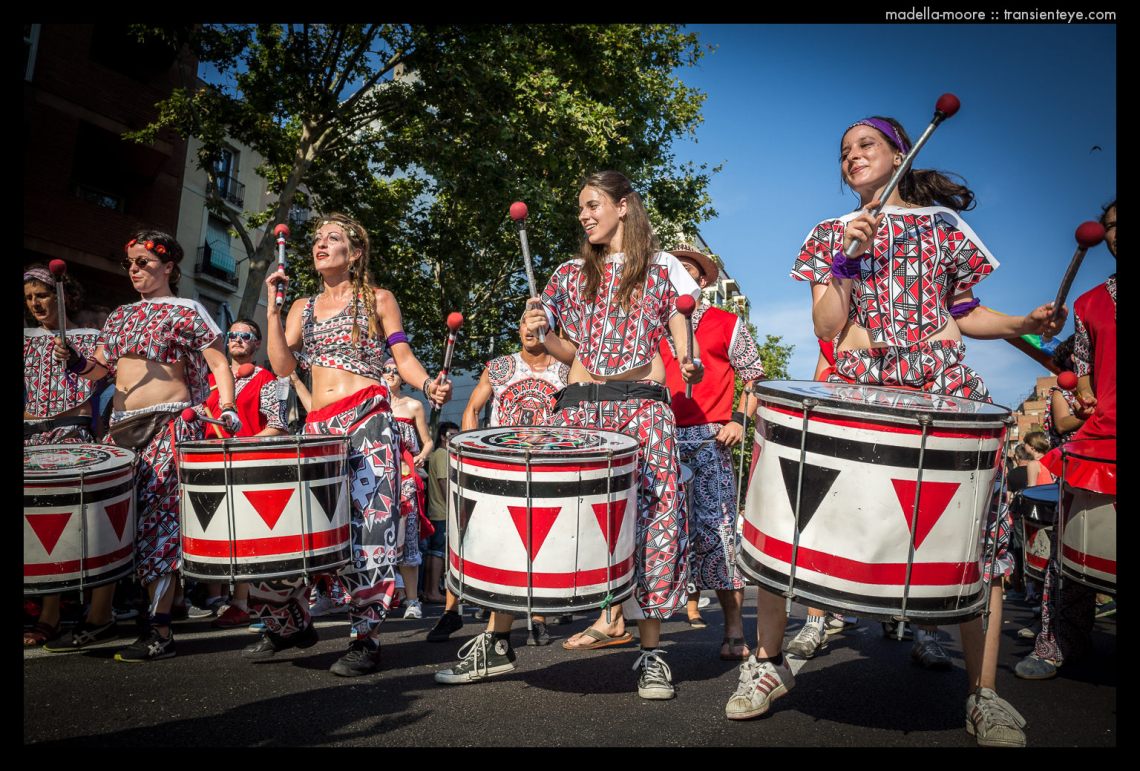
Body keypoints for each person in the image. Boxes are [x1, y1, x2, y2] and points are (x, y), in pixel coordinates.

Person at [735, 115, 1067, 746]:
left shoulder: (946, 228)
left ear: (899, 152)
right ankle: (768, 665)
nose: (852, 157)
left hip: (944, 389)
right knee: (791, 518)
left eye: (866, 145)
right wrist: (847, 260)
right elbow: (828, 329)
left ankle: (983, 695)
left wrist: (1025, 320)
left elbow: (966, 314)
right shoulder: (831, 232)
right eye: (843, 152)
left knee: (977, 542)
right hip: (861, 387)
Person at [461, 170, 701, 700]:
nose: (585, 215)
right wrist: (543, 332)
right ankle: (498, 641)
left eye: (593, 204)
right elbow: (573, 353)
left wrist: (687, 357)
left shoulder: (663, 268)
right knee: (539, 513)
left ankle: (653, 654)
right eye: (580, 208)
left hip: (642, 410)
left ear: (623, 206)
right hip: (579, 411)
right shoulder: (570, 274)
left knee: (653, 523)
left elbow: (680, 328)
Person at [257, 212, 451, 677]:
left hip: (368, 419)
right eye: (317, 239)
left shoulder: (378, 298)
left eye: (333, 238)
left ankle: (365, 638)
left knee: (371, 531)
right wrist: (272, 309)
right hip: (318, 429)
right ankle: (292, 623)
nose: (320, 244)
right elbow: (283, 367)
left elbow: (401, 355)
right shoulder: (301, 306)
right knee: (301, 529)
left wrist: (428, 385)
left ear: (355, 252)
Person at [52, 230, 238, 661]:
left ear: (169, 267)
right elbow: (100, 372)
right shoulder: (118, 316)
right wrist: (76, 361)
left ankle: (158, 630)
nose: (135, 270)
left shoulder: (188, 310)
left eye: (144, 262)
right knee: (109, 523)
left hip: (168, 424)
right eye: (130, 263)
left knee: (159, 527)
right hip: (118, 429)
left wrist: (226, 406)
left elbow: (217, 363)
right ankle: (97, 620)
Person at [1017, 199, 1116, 681]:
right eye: (1112, 226)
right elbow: (1081, 373)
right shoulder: (1089, 303)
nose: (1116, 233)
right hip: (1101, 441)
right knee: (1068, 558)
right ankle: (1057, 642)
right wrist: (1079, 401)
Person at [437, 319, 572, 648]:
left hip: (546, 469)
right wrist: (471, 452)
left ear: (548, 331)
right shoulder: (499, 368)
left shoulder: (567, 370)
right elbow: (472, 408)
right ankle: (451, 611)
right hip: (503, 468)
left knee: (539, 544)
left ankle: (537, 617)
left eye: (536, 325)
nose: (528, 330)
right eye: (523, 324)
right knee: (480, 536)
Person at [23, 264, 112, 648]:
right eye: (28, 298)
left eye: (41, 295)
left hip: (70, 433)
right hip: (29, 435)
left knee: (59, 524)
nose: (35, 304)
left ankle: (52, 613)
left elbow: (102, 378)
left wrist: (75, 356)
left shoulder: (91, 336)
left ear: (62, 295)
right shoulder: (24, 338)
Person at [186, 318, 290, 628]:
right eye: (232, 335)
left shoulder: (270, 379)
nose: (238, 339)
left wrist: (244, 444)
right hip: (207, 462)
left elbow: (277, 426)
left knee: (243, 534)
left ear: (257, 344)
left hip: (246, 465)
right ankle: (212, 595)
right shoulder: (211, 377)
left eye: (246, 335)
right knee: (211, 530)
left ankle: (242, 602)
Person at [383, 357, 434, 621]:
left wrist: (421, 456)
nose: (390, 374)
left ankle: (412, 601)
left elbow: (427, 441)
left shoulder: (413, 406)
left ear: (403, 377)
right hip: (378, 481)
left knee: (409, 540)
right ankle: (381, 598)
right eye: (385, 370)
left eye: (395, 371)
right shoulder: (373, 406)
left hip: (404, 482)